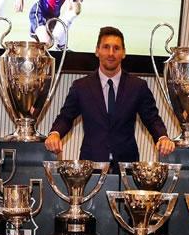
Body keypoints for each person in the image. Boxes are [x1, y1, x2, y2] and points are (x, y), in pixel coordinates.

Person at [45, 26, 176, 162]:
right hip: (91, 165)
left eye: (116, 48)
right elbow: (65, 117)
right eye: (106, 47)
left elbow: (152, 119)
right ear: (97, 51)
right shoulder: (81, 87)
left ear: (123, 53)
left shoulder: (138, 86)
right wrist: (55, 134)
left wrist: (163, 137)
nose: (111, 53)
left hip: (126, 165)